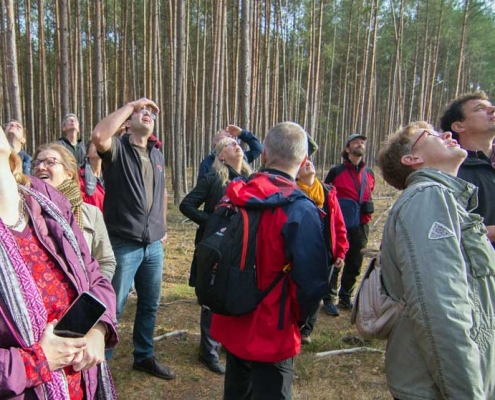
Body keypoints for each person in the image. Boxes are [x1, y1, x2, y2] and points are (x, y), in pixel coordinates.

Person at [377, 121, 495, 399]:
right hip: (442, 387)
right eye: (430, 134)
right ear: (412, 159)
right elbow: (440, 308)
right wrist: (468, 392)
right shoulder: (428, 197)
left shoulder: (447, 201)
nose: (447, 135)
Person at [210, 122, 328, 399]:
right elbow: (312, 282)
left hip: (233, 314)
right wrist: (298, 320)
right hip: (274, 325)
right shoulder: (301, 209)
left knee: (237, 390)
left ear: (264, 156)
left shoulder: (235, 193)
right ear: (304, 161)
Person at [0, 125, 118, 399]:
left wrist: (99, 329)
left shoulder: (48, 204)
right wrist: (35, 361)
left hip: (85, 385)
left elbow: (95, 275)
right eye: (40, 161)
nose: (43, 166)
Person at [92, 98, 174, 380]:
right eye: (142, 112)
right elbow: (99, 136)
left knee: (150, 304)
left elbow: (162, 192)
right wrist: (131, 104)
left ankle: (144, 356)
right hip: (124, 243)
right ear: (127, 122)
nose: (148, 114)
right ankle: (99, 366)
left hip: (153, 245)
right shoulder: (117, 149)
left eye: (152, 112)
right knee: (113, 306)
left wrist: (161, 227)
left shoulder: (157, 154)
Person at [180, 137, 252, 374]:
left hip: (241, 249)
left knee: (235, 290)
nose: (237, 145)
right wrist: (211, 222)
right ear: (221, 155)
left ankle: (228, 342)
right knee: (212, 294)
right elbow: (186, 205)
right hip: (215, 248)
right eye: (230, 145)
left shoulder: (251, 181)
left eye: (238, 143)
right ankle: (207, 352)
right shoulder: (213, 178)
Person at [32, 143, 116, 282]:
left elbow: (105, 261)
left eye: (50, 162)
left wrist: (95, 293)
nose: (41, 167)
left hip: (81, 294)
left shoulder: (91, 213)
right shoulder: (24, 210)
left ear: (69, 174)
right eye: (38, 163)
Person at [296, 159, 348, 344]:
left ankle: (306, 331)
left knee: (318, 293)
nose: (308, 164)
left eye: (309, 161)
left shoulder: (327, 192)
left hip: (325, 253)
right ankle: (295, 326)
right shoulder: (292, 193)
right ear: (296, 172)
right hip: (301, 254)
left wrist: (340, 251)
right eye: (302, 164)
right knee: (299, 291)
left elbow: (339, 224)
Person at [324, 133, 375, 316]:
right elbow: (326, 194)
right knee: (336, 260)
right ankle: (329, 299)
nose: (360, 144)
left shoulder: (369, 173)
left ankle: (346, 296)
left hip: (362, 224)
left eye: (362, 142)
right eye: (355, 142)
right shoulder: (336, 171)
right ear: (347, 149)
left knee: (355, 261)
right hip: (340, 224)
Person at [439, 91, 495, 244]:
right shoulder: (451, 173)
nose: (492, 110)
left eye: (490, 106)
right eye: (479, 109)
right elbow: (445, 231)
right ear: (458, 126)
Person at [197, 124, 262, 180]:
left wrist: (241, 133)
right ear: (216, 142)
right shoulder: (208, 162)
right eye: (227, 136)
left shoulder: (241, 158)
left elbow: (258, 149)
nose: (231, 138)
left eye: (232, 136)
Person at [79, 141, 106, 212]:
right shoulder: (80, 176)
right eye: (94, 145)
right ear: (87, 154)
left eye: (99, 145)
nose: (97, 147)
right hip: (91, 220)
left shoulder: (109, 175)